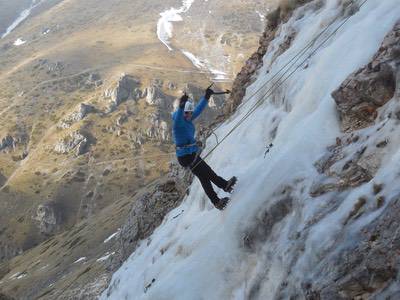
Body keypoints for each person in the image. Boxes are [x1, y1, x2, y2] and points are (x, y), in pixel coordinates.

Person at [172, 86, 236, 210]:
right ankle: (223, 188)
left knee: (204, 177)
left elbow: (198, 110)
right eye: (188, 112)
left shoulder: (187, 118)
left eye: (190, 112)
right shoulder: (178, 124)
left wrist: (206, 97)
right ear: (184, 113)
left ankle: (219, 197)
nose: (191, 114)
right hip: (186, 157)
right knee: (207, 173)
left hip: (189, 154)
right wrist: (181, 107)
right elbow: (179, 118)